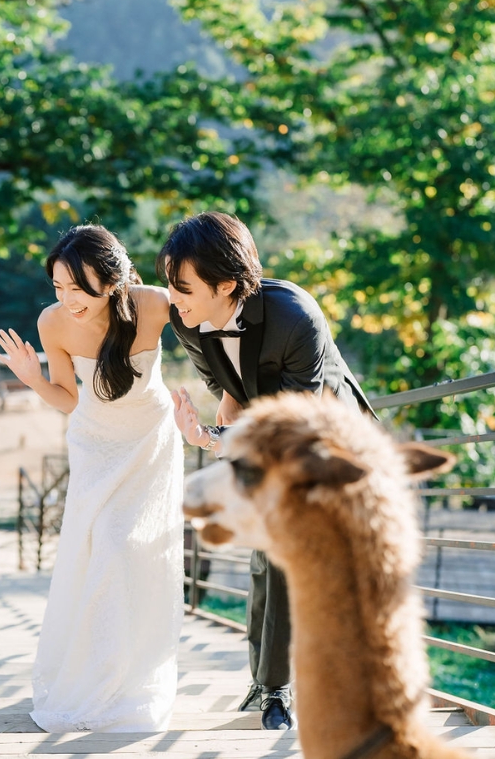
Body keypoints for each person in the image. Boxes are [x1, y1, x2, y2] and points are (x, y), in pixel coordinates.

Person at [159, 211, 375, 731]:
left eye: (182, 285)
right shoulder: (185, 318)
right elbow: (225, 385)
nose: (174, 296)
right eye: (169, 282)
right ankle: (271, 686)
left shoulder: (295, 316)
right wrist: (229, 413)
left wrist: (212, 438)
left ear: (227, 284)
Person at [0, 224, 184, 733]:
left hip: (150, 444)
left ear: (113, 279)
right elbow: (70, 399)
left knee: (129, 551)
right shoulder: (52, 323)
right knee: (97, 551)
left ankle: (128, 675)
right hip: (95, 447)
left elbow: (211, 328)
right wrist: (34, 379)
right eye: (58, 287)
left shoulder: (153, 304)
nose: (66, 299)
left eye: (76, 288)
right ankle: (96, 672)